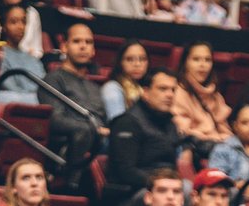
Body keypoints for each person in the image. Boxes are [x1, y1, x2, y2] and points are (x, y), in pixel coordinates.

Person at [39, 23, 110, 191]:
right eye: (77, 41)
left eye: (88, 42)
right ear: (64, 47)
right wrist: (94, 129)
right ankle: (72, 185)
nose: (83, 46)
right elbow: (55, 119)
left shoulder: (96, 87)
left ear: (93, 50)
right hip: (69, 143)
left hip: (99, 142)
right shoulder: (53, 79)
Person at [108, 67, 184, 197]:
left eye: (173, 90)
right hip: (132, 194)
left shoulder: (170, 123)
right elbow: (125, 171)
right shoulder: (127, 122)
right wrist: (160, 184)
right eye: (163, 89)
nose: (170, 94)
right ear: (146, 92)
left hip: (164, 188)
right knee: (185, 190)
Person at [171, 41, 231, 147]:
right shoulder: (176, 92)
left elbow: (226, 131)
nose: (202, 65)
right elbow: (183, 132)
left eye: (207, 60)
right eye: (196, 59)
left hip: (219, 147)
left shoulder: (216, 96)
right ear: (185, 62)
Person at [0, 4, 43, 106]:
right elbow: (11, 90)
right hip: (18, 107)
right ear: (4, 26)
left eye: (23, 22)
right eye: (13, 22)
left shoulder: (33, 59)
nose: (20, 27)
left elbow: (45, 88)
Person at [101, 40, 148, 123]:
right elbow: (118, 126)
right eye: (130, 59)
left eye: (142, 59)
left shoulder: (145, 89)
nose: (137, 64)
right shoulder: (112, 88)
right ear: (120, 62)